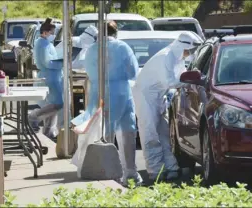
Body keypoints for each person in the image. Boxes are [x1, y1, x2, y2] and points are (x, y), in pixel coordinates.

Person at [132, 31, 202, 181]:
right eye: (190, 50)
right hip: (145, 96)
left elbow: (181, 75)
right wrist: (190, 80)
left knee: (164, 134)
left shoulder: (177, 58)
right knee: (150, 134)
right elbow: (171, 82)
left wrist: (190, 77)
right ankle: (155, 171)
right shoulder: (167, 57)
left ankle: (171, 168)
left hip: (159, 95)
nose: (191, 53)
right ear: (182, 46)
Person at [82, 20, 142, 187]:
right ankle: (130, 171)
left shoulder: (91, 50)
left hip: (99, 91)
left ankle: (109, 171)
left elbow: (88, 71)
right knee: (128, 131)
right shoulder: (122, 47)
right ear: (115, 32)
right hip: (122, 92)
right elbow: (132, 72)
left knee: (105, 131)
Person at [28, 18, 64, 134]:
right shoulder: (41, 44)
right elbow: (47, 62)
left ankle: (48, 130)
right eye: (52, 33)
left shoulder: (46, 43)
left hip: (54, 76)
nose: (53, 35)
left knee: (52, 105)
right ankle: (34, 116)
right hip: (49, 76)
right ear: (44, 32)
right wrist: (61, 63)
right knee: (57, 104)